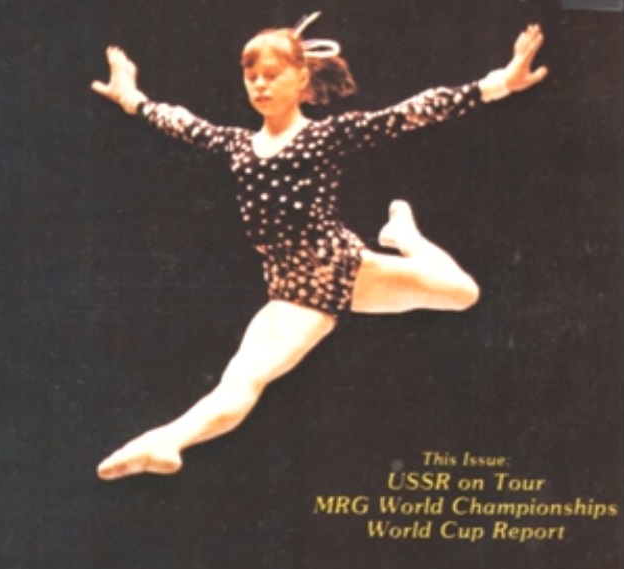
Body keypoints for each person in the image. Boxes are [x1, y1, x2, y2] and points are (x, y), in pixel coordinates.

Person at [91, 13, 547, 480]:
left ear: (302, 78)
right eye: (251, 76)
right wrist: (131, 97)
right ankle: (164, 441)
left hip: (347, 268)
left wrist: (499, 83)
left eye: (272, 74)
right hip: (295, 295)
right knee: (242, 380)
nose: (260, 85)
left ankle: (405, 237)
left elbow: (409, 112)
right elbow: (180, 121)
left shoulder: (324, 135)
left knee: (465, 292)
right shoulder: (237, 146)